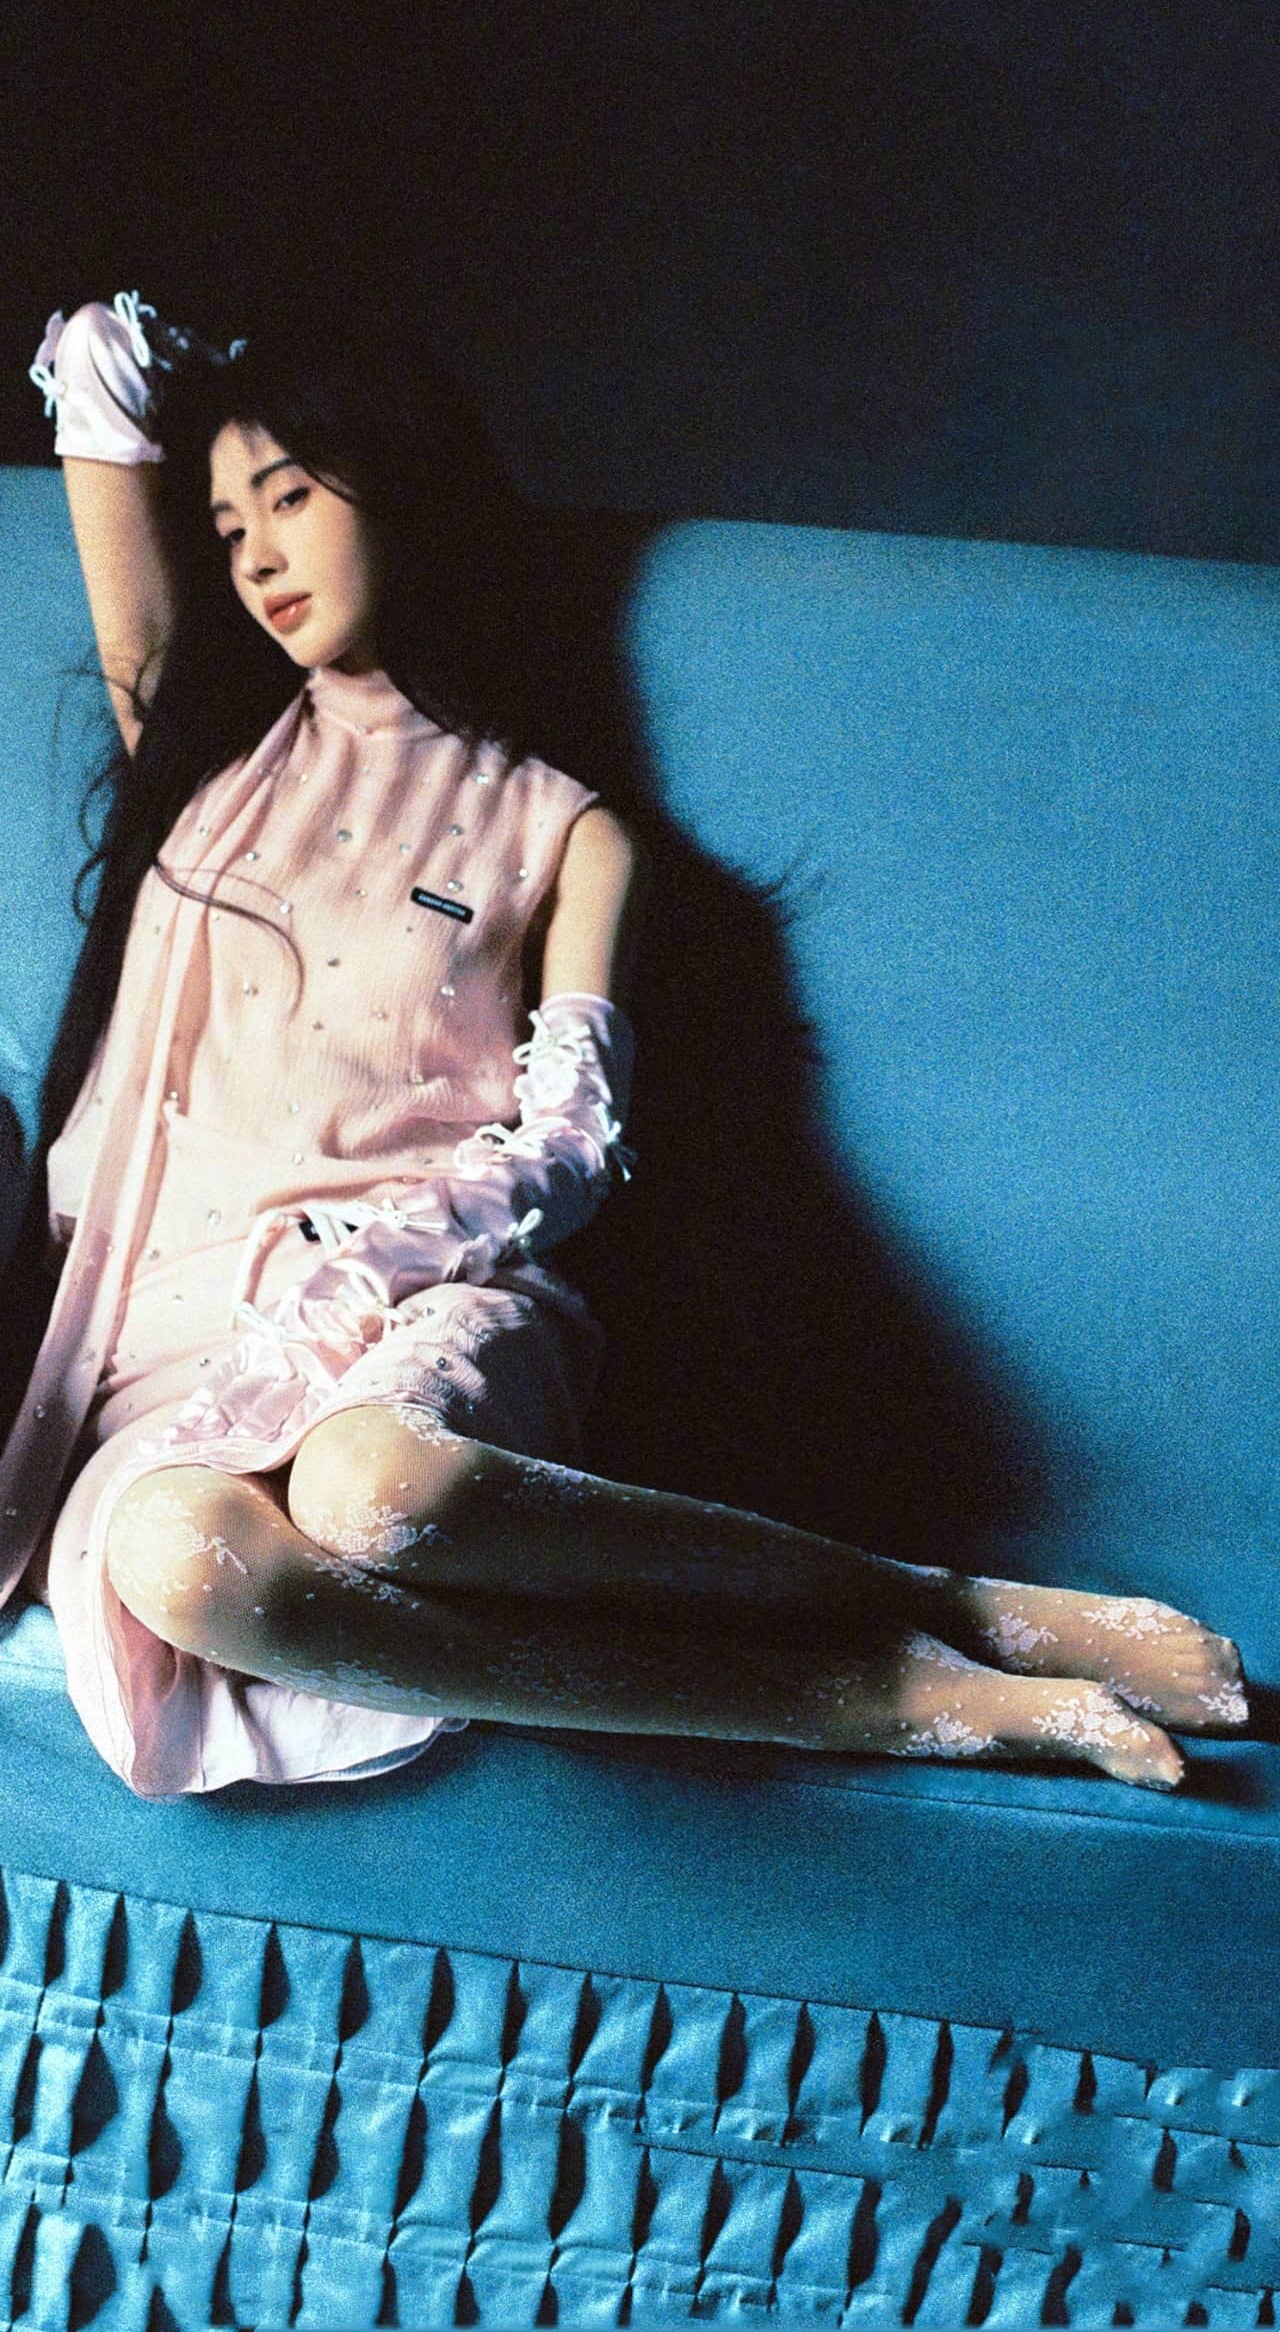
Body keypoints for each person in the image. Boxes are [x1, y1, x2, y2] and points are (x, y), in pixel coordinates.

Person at [1, 286, 1248, 1803]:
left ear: (400, 487)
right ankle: (864, 1693)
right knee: (178, 1562)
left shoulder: (569, 829)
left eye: (291, 495)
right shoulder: (203, 771)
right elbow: (103, 396)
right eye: (224, 522)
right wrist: (181, 372)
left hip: (424, 1298)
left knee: (375, 1488)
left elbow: (573, 1138)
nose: (255, 552)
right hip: (173, 1339)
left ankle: (936, 1607)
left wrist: (382, 1261)